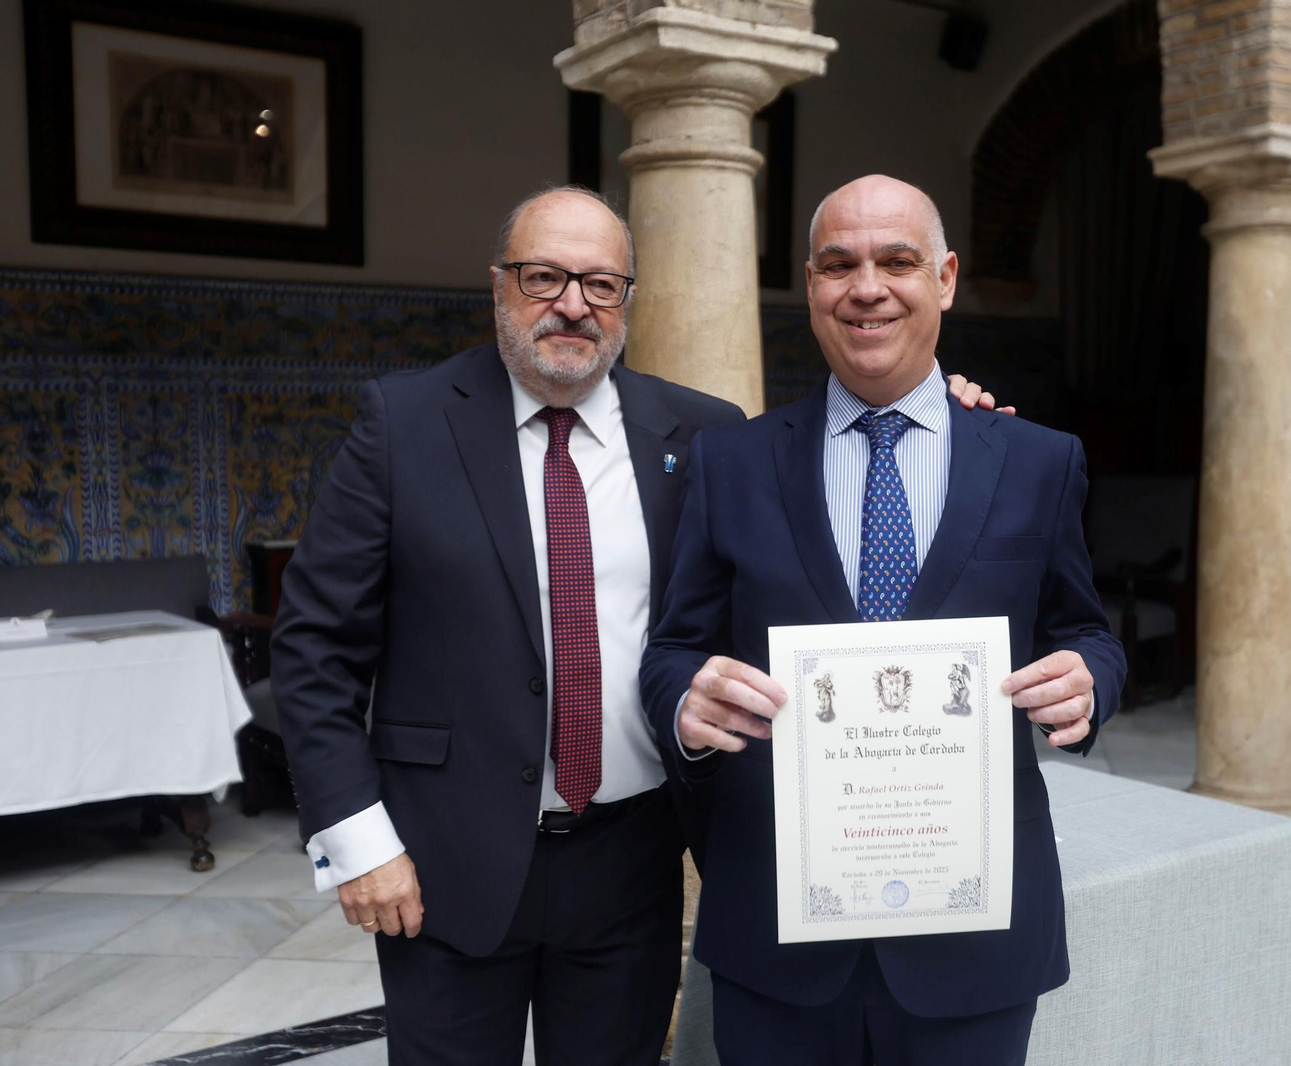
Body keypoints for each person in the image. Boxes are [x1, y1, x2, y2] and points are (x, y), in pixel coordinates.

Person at [270, 184, 1008, 1066]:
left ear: (627, 300)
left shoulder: (701, 436)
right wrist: (357, 842)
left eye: (601, 283)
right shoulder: (405, 424)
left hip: (633, 864)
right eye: (544, 278)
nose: (573, 305)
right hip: (442, 863)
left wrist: (942, 411)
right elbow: (315, 649)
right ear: (499, 286)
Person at [640, 174, 1126, 1066]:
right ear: (812, 285)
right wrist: (685, 703)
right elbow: (673, 650)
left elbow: (1083, 629)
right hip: (778, 930)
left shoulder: (1037, 462)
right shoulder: (731, 463)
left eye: (896, 261)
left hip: (974, 939)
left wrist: (1093, 678)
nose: (868, 286)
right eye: (840, 264)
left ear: (942, 279)